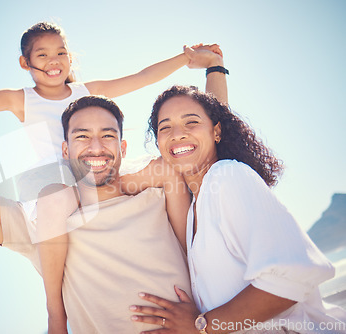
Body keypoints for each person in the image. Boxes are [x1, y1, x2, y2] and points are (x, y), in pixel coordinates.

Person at [0, 21, 228, 333]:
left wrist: (196, 61)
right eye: (43, 55)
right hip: (58, 194)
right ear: (26, 63)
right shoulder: (23, 106)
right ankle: (55, 312)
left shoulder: (142, 164)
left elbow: (151, 86)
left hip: (113, 190)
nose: (54, 63)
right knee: (55, 192)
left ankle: (190, 260)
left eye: (60, 53)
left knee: (169, 175)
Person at [130, 85, 346, 333]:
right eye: (165, 127)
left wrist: (201, 325)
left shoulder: (227, 176)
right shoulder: (193, 210)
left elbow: (292, 277)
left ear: (216, 131)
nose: (177, 134)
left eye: (191, 122)